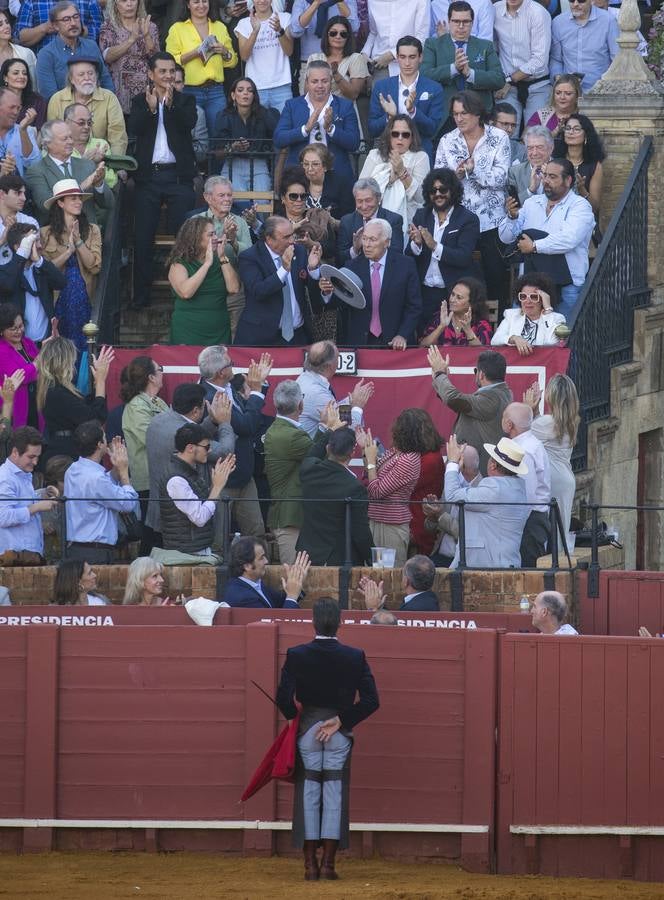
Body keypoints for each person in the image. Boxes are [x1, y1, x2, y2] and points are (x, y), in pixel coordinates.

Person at [276, 596, 379, 881]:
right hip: (338, 733)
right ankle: (329, 866)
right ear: (339, 623)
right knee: (334, 793)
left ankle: (310, 866)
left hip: (308, 729)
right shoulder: (355, 656)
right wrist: (341, 720)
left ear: (313, 622)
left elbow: (283, 697)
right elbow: (371, 701)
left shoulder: (297, 654)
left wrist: (293, 718)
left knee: (309, 792)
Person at [127, 52, 197, 310]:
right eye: (163, 71)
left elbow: (188, 123)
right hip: (149, 178)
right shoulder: (139, 101)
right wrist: (150, 109)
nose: (168, 76)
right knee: (143, 238)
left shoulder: (185, 100)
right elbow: (135, 129)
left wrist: (169, 105)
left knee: (184, 238)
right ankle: (141, 298)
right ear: (151, 74)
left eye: (171, 71)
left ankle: (183, 294)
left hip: (178, 177)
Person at [434, 90, 510, 309]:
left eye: (464, 113)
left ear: (477, 113)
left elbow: (501, 178)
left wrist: (473, 171)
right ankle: (457, 322)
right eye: (455, 114)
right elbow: (437, 182)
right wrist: (455, 177)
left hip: (491, 220)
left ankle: (496, 324)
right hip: (458, 219)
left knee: (494, 276)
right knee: (458, 277)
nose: (459, 118)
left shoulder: (499, 137)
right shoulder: (447, 140)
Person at [498, 158, 595, 321]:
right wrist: (511, 217)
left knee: (563, 332)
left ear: (568, 180)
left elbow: (569, 239)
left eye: (553, 177)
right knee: (522, 331)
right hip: (530, 285)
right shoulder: (531, 203)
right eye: (545, 175)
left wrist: (534, 246)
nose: (546, 181)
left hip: (567, 286)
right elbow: (506, 237)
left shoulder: (580, 205)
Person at [144, 380, 235, 539]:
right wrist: (224, 423)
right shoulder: (180, 432)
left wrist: (212, 421)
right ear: (196, 411)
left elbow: (193, 433)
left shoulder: (157, 421)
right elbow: (225, 452)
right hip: (184, 521)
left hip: (159, 511)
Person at [198, 345, 270, 538]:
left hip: (244, 477)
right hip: (223, 481)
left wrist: (259, 385)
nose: (234, 366)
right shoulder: (210, 398)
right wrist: (256, 390)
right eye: (231, 363)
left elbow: (248, 410)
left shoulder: (227, 387)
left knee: (256, 535)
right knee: (218, 539)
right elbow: (247, 425)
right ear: (221, 372)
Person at [323, 218, 421, 348]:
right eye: (364, 238)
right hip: (360, 342)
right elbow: (341, 303)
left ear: (386, 242)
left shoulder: (405, 265)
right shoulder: (351, 266)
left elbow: (414, 307)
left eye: (372, 239)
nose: (366, 245)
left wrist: (403, 335)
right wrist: (328, 292)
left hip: (395, 343)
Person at [406, 166, 480, 332]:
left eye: (443, 189)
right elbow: (408, 256)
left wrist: (434, 246)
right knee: (423, 339)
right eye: (433, 191)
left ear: (453, 191)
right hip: (424, 292)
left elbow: (463, 256)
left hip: (452, 293)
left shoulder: (468, 219)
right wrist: (417, 244)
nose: (438, 194)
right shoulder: (421, 215)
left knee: (450, 340)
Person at [235, 215, 323, 347]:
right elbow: (258, 291)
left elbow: (310, 289)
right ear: (269, 239)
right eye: (286, 237)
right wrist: (284, 270)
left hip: (297, 335)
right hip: (262, 337)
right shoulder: (249, 257)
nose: (292, 241)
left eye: (292, 235)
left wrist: (312, 269)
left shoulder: (299, 251)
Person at [272, 60, 360, 192]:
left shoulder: (345, 106)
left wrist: (331, 129)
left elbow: (354, 143)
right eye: (315, 81)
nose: (320, 86)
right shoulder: (292, 105)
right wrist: (305, 129)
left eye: (324, 81)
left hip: (335, 174)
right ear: (307, 82)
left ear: (331, 81)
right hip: (299, 175)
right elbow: (279, 139)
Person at [444, 433, 529, 567]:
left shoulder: (495, 488)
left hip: (487, 567)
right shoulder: (517, 488)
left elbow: (453, 496)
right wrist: (458, 472)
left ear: (493, 465)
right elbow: (472, 496)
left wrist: (452, 463)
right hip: (504, 563)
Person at [263, 379, 324, 564]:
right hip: (289, 518)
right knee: (292, 574)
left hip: (291, 516)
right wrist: (326, 428)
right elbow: (317, 455)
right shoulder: (291, 436)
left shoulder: (283, 430)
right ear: (300, 405)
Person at [64, 421, 140, 563]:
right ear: (99, 444)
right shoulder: (96, 479)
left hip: (78, 547)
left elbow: (103, 488)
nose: (107, 440)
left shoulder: (72, 470)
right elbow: (127, 504)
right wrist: (123, 471)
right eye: (105, 437)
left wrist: (116, 467)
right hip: (96, 551)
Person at [421, 2, 504, 132]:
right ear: (449, 21)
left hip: (478, 114)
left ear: (472, 23)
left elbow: (499, 79)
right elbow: (425, 75)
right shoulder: (433, 44)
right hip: (445, 115)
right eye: (456, 21)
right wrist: (453, 68)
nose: (461, 26)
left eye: (466, 22)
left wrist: (471, 74)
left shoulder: (485, 46)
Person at [159, 421, 236, 561]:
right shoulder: (176, 480)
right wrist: (217, 487)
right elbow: (200, 518)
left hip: (196, 550)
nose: (210, 451)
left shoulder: (189, 470)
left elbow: (203, 504)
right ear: (190, 448)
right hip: (187, 555)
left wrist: (217, 482)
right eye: (206, 447)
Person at [429, 345, 511, 474]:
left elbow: (454, 399)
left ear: (481, 374)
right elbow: (460, 404)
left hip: (476, 473)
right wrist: (440, 379)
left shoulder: (492, 398)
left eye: (475, 371)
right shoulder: (499, 393)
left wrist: (440, 375)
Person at [297, 425, 373, 565]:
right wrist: (371, 558)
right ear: (352, 453)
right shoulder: (354, 487)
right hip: (337, 561)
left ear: (327, 448)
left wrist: (331, 429)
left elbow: (312, 454)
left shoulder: (308, 470)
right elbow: (360, 531)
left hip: (306, 557)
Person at [40, 178, 101, 351]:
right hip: (58, 296)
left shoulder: (92, 230)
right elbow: (45, 270)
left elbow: (95, 266)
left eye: (79, 198)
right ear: (60, 203)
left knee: (84, 343)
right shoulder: (45, 233)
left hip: (84, 295)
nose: (78, 201)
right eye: (73, 198)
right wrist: (68, 252)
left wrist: (79, 241)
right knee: (60, 344)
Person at [358, 411, 421, 567]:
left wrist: (371, 460)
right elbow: (371, 475)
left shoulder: (409, 460)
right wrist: (366, 450)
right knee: (374, 571)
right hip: (377, 521)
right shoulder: (394, 453)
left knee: (388, 573)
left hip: (391, 528)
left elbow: (377, 491)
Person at [165, 0, 237, 137]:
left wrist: (224, 52)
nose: (201, 5)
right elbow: (169, 61)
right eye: (196, 2)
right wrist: (194, 53)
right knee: (192, 136)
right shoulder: (177, 28)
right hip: (189, 90)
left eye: (205, 1)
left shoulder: (220, 26)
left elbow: (232, 62)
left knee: (219, 136)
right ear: (188, 5)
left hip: (216, 91)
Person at [37, 336, 114, 462]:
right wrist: (101, 381)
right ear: (64, 362)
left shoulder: (56, 388)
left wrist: (97, 382)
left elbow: (85, 407)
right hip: (66, 454)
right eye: (72, 360)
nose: (74, 364)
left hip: (65, 450)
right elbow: (94, 420)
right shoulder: (56, 392)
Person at [523, 373, 579, 548]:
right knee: (560, 532)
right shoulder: (570, 421)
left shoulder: (548, 423)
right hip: (565, 480)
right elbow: (540, 428)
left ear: (552, 396)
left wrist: (527, 409)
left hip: (553, 480)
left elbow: (522, 431)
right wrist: (535, 411)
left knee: (550, 532)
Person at [368, 34, 444, 161]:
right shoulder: (381, 86)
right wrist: (389, 117)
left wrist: (413, 111)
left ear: (420, 57)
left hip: (420, 152)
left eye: (412, 57)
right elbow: (372, 129)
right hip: (388, 153)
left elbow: (432, 129)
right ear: (397, 58)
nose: (407, 63)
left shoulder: (434, 88)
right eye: (402, 57)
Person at [191, 175, 250, 337]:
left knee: (233, 340)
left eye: (229, 195)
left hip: (234, 295)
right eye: (222, 195)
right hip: (205, 292)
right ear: (207, 198)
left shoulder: (240, 222)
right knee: (206, 340)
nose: (227, 199)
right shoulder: (196, 221)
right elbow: (189, 253)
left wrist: (233, 241)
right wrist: (221, 236)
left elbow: (249, 258)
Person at [24, 119, 111, 228]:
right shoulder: (37, 170)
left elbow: (109, 203)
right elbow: (45, 205)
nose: (70, 142)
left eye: (70, 137)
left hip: (88, 233)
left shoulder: (87, 165)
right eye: (64, 139)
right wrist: (82, 186)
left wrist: (99, 185)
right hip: (56, 234)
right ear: (48, 143)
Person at [120, 355, 168, 553]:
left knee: (160, 533)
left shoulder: (159, 402)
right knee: (152, 533)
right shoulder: (137, 406)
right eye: (160, 369)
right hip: (148, 480)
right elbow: (150, 438)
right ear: (151, 377)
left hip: (162, 477)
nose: (162, 373)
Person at [167, 217, 239, 345]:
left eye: (215, 233)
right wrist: (207, 264)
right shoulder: (179, 264)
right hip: (188, 330)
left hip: (219, 330)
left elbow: (234, 288)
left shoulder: (221, 261)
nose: (215, 238)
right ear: (195, 238)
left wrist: (222, 257)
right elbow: (185, 292)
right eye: (211, 235)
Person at [359, 115, 429, 233]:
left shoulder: (420, 157)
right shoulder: (375, 155)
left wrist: (402, 172)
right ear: (389, 135)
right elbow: (360, 189)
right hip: (374, 218)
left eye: (405, 135)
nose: (400, 138)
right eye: (395, 134)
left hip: (408, 221)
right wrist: (389, 179)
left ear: (412, 137)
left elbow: (421, 197)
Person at [502, 401, 551, 567]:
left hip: (530, 520)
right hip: (532, 517)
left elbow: (527, 494)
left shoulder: (525, 450)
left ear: (509, 424)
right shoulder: (530, 443)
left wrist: (515, 524)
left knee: (529, 568)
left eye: (504, 417)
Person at [46, 58, 127, 155]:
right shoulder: (57, 99)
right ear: (71, 79)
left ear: (96, 76)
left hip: (102, 157)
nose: (87, 78)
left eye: (91, 73)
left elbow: (118, 137)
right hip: (66, 158)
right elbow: (52, 136)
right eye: (81, 74)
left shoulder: (109, 98)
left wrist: (115, 162)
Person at [304, 14, 368, 138]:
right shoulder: (314, 58)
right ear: (327, 35)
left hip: (345, 114)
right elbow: (307, 93)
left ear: (348, 37)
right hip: (316, 113)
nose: (338, 36)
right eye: (333, 33)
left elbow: (353, 94)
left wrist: (335, 74)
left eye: (343, 34)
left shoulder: (356, 58)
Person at [492, 0, 552, 131]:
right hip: (505, 86)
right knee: (503, 134)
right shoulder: (495, 10)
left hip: (537, 85)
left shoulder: (538, 12)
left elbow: (539, 60)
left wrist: (509, 80)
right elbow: (492, 46)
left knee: (536, 134)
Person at [0, 224, 65, 343]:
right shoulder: (5, 272)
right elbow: (7, 286)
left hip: (46, 343)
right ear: (18, 247)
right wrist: (22, 255)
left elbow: (61, 283)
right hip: (18, 346)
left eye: (39, 241)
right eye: (33, 242)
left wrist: (39, 261)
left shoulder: (42, 269)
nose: (40, 246)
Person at [0, 425, 58, 558]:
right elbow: (3, 517)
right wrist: (37, 507)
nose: (36, 462)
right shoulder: (5, 478)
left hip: (25, 556)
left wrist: (42, 493)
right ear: (15, 452)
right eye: (31, 457)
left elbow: (19, 501)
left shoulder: (22, 473)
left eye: (38, 457)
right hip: (13, 559)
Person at [35, 2, 113, 100]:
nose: (73, 23)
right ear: (55, 26)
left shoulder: (91, 46)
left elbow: (105, 81)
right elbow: (49, 96)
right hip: (63, 108)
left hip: (97, 105)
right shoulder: (46, 54)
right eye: (66, 19)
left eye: (76, 17)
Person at [295, 339, 373, 437]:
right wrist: (357, 407)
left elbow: (334, 411)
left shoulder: (305, 378)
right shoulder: (316, 392)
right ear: (330, 366)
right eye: (337, 358)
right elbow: (345, 432)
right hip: (313, 446)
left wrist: (351, 400)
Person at [214, 76, 279, 193]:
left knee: (262, 201)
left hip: (258, 163)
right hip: (233, 164)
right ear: (233, 95)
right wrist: (233, 147)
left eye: (250, 90)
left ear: (254, 96)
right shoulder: (223, 116)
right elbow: (217, 152)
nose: (245, 93)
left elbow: (277, 137)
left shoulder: (264, 114)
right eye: (240, 90)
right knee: (238, 201)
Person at [423, 442, 481, 567]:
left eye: (452, 461)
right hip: (439, 555)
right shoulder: (451, 484)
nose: (447, 465)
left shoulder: (481, 490)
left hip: (464, 560)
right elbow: (429, 528)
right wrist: (432, 515)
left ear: (461, 465)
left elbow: (464, 533)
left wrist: (440, 515)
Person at [99, 0, 160, 117]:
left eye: (133, 0)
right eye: (123, 0)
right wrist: (131, 40)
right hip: (118, 92)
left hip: (146, 92)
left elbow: (157, 60)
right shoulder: (108, 27)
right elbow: (106, 56)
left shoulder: (150, 27)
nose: (129, 4)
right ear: (115, 3)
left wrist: (146, 35)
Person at [234, 0, 293, 113]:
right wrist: (255, 31)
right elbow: (244, 56)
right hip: (255, 87)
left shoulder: (284, 18)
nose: (262, 1)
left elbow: (289, 51)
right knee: (257, 124)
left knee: (284, 123)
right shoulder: (244, 23)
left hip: (282, 85)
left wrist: (279, 31)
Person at [550, 0, 619, 93]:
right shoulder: (558, 22)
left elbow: (617, 59)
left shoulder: (608, 21)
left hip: (601, 91)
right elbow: (556, 59)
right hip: (569, 92)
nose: (575, 4)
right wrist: (557, 77)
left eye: (581, 0)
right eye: (571, 0)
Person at [222, 535, 310, 608]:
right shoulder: (244, 598)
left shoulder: (254, 584)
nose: (266, 561)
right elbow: (281, 621)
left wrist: (297, 582)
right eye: (261, 558)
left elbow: (280, 601)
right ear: (247, 566)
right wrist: (292, 597)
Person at [292, 1, 359, 94]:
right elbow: (295, 30)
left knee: (343, 102)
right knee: (309, 101)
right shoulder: (303, 1)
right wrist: (316, 3)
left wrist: (339, 1)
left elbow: (354, 27)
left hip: (341, 64)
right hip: (310, 63)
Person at [335, 176, 403, 265]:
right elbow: (340, 259)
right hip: (356, 271)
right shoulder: (347, 221)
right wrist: (355, 249)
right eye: (359, 201)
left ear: (379, 198)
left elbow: (397, 255)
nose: (364, 206)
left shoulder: (393, 220)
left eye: (368, 200)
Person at [492, 273, 565, 352]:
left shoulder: (557, 319)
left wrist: (547, 309)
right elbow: (495, 340)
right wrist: (514, 338)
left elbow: (553, 342)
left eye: (534, 297)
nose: (528, 301)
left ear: (543, 300)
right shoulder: (511, 315)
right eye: (523, 296)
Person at [405, 408, 444, 555]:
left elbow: (402, 485)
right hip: (416, 521)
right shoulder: (427, 456)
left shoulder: (429, 460)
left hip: (418, 525)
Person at [361, 0, 429, 79]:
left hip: (409, 63)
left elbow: (421, 38)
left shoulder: (420, 1)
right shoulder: (372, 1)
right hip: (379, 63)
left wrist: (392, 55)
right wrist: (365, 53)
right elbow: (374, 32)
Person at [553, 113, 605, 218]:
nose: (571, 132)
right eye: (568, 128)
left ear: (586, 135)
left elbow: (595, 207)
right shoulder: (555, 160)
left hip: (582, 218)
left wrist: (582, 190)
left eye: (576, 129)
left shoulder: (595, 165)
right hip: (556, 216)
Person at [277, 165, 334, 259]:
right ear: (283, 198)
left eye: (303, 196)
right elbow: (268, 245)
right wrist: (290, 230)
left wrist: (311, 244)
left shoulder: (318, 216)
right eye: (293, 196)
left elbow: (331, 250)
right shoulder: (276, 221)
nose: (299, 200)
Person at [419, 276, 491, 348]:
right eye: (452, 294)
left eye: (459, 297)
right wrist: (441, 327)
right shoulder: (441, 317)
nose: (452, 300)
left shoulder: (481, 324)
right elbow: (422, 347)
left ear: (472, 303)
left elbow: (484, 352)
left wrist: (468, 331)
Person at [0, 303, 40, 428]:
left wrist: (36, 366)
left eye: (21, 326)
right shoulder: (1, 351)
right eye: (13, 328)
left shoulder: (28, 342)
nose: (18, 331)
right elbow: (19, 376)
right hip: (15, 408)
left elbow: (44, 368)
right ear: (1, 330)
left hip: (36, 403)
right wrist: (37, 364)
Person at [63, 103, 116, 191]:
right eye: (81, 123)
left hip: (99, 196)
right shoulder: (58, 147)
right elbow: (61, 183)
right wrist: (85, 164)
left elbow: (111, 181)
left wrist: (95, 166)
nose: (87, 127)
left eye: (89, 123)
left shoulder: (101, 144)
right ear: (66, 123)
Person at [359, 553, 440, 611]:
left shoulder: (414, 608)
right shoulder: (429, 598)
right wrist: (379, 606)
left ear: (406, 581)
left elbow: (393, 628)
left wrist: (373, 608)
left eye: (403, 574)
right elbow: (396, 620)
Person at [18, 0, 102, 54]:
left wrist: (78, 29)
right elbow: (19, 38)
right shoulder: (31, 1)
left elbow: (100, 32)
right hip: (46, 62)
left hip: (83, 59)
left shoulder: (89, 1)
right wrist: (45, 28)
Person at [300, 143, 354, 222]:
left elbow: (348, 218)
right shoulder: (297, 182)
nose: (310, 168)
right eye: (306, 164)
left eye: (315, 164)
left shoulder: (342, 184)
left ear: (325, 166)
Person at [507, 126, 554, 207]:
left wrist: (549, 181)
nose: (534, 153)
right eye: (530, 148)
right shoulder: (515, 172)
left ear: (551, 148)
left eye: (540, 147)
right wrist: (530, 190)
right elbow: (512, 207)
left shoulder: (562, 169)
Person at [0, 87, 40, 177]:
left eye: (18, 108)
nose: (16, 112)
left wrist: (23, 131)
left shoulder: (26, 130)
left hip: (21, 185)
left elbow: (35, 165)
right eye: (12, 107)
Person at [1, 58, 47, 131]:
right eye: (16, 73)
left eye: (24, 73)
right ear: (5, 78)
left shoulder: (38, 101)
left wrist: (25, 128)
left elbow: (41, 133)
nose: (21, 76)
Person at [0, 12, 37, 87]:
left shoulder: (26, 53)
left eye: (7, 22)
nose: (7, 26)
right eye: (0, 24)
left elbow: (34, 86)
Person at [430, 0, 494, 41]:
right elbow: (431, 37)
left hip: (474, 55)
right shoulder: (435, 4)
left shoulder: (483, 3)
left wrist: (446, 39)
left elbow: (486, 41)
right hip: (444, 55)